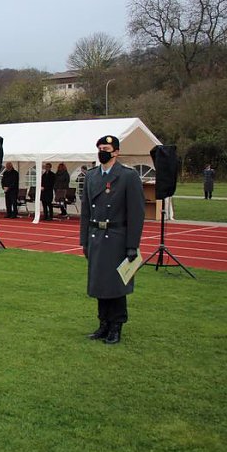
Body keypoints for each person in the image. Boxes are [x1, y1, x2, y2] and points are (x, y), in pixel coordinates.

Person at [80, 135, 145, 345]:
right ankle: (103, 324)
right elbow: (85, 212)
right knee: (100, 284)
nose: (102, 151)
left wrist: (132, 245)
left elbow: (136, 213)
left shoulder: (127, 176)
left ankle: (116, 326)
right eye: (100, 148)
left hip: (117, 237)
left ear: (116, 151)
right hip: (96, 236)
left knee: (116, 286)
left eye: (106, 148)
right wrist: (84, 240)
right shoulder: (91, 176)